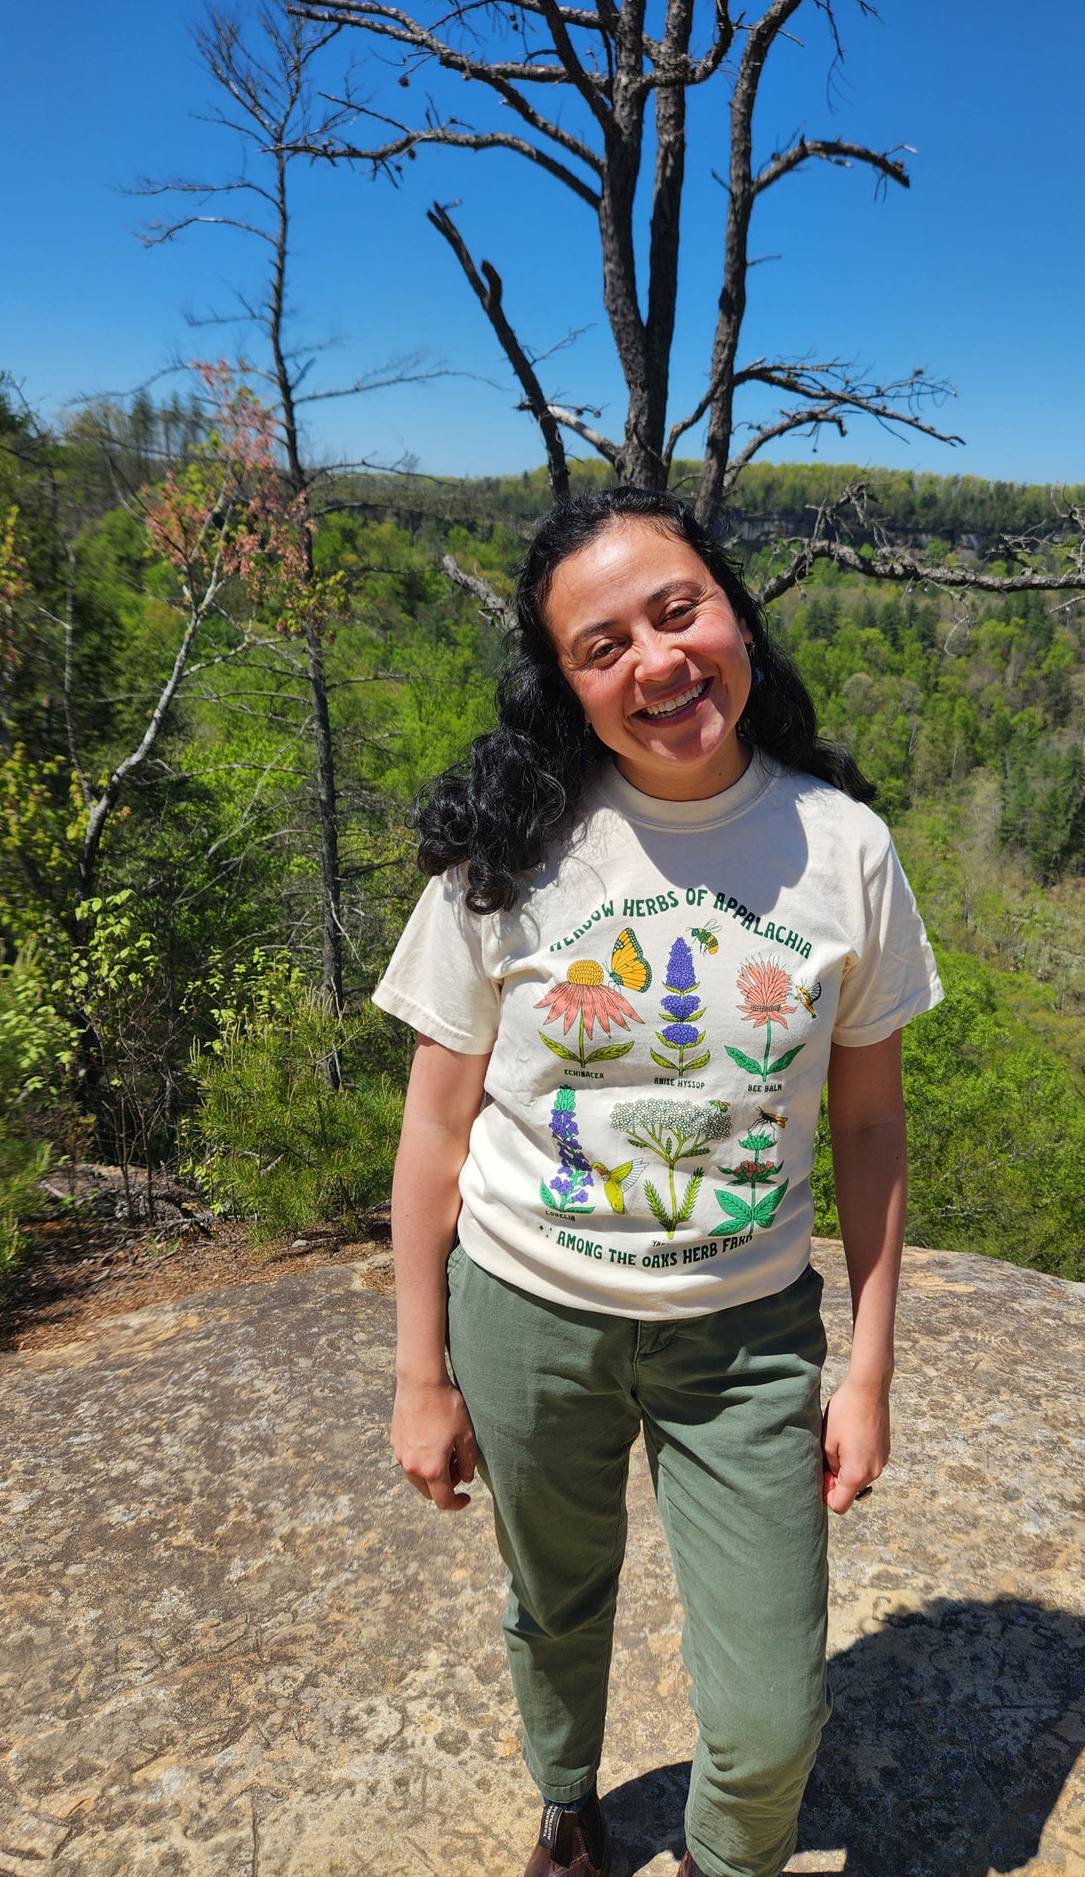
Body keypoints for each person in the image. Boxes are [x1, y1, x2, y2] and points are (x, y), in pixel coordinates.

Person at [373, 488, 943, 1877]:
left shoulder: (844, 848)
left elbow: (870, 1127)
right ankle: (568, 1802)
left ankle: (723, 1859)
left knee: (770, 1713)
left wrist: (866, 1372)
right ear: (566, 685)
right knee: (553, 1602)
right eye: (602, 645)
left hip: (743, 1340)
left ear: (733, 612)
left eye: (677, 611)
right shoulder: (513, 850)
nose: (657, 662)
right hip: (525, 1316)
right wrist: (421, 1374)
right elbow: (435, 1130)